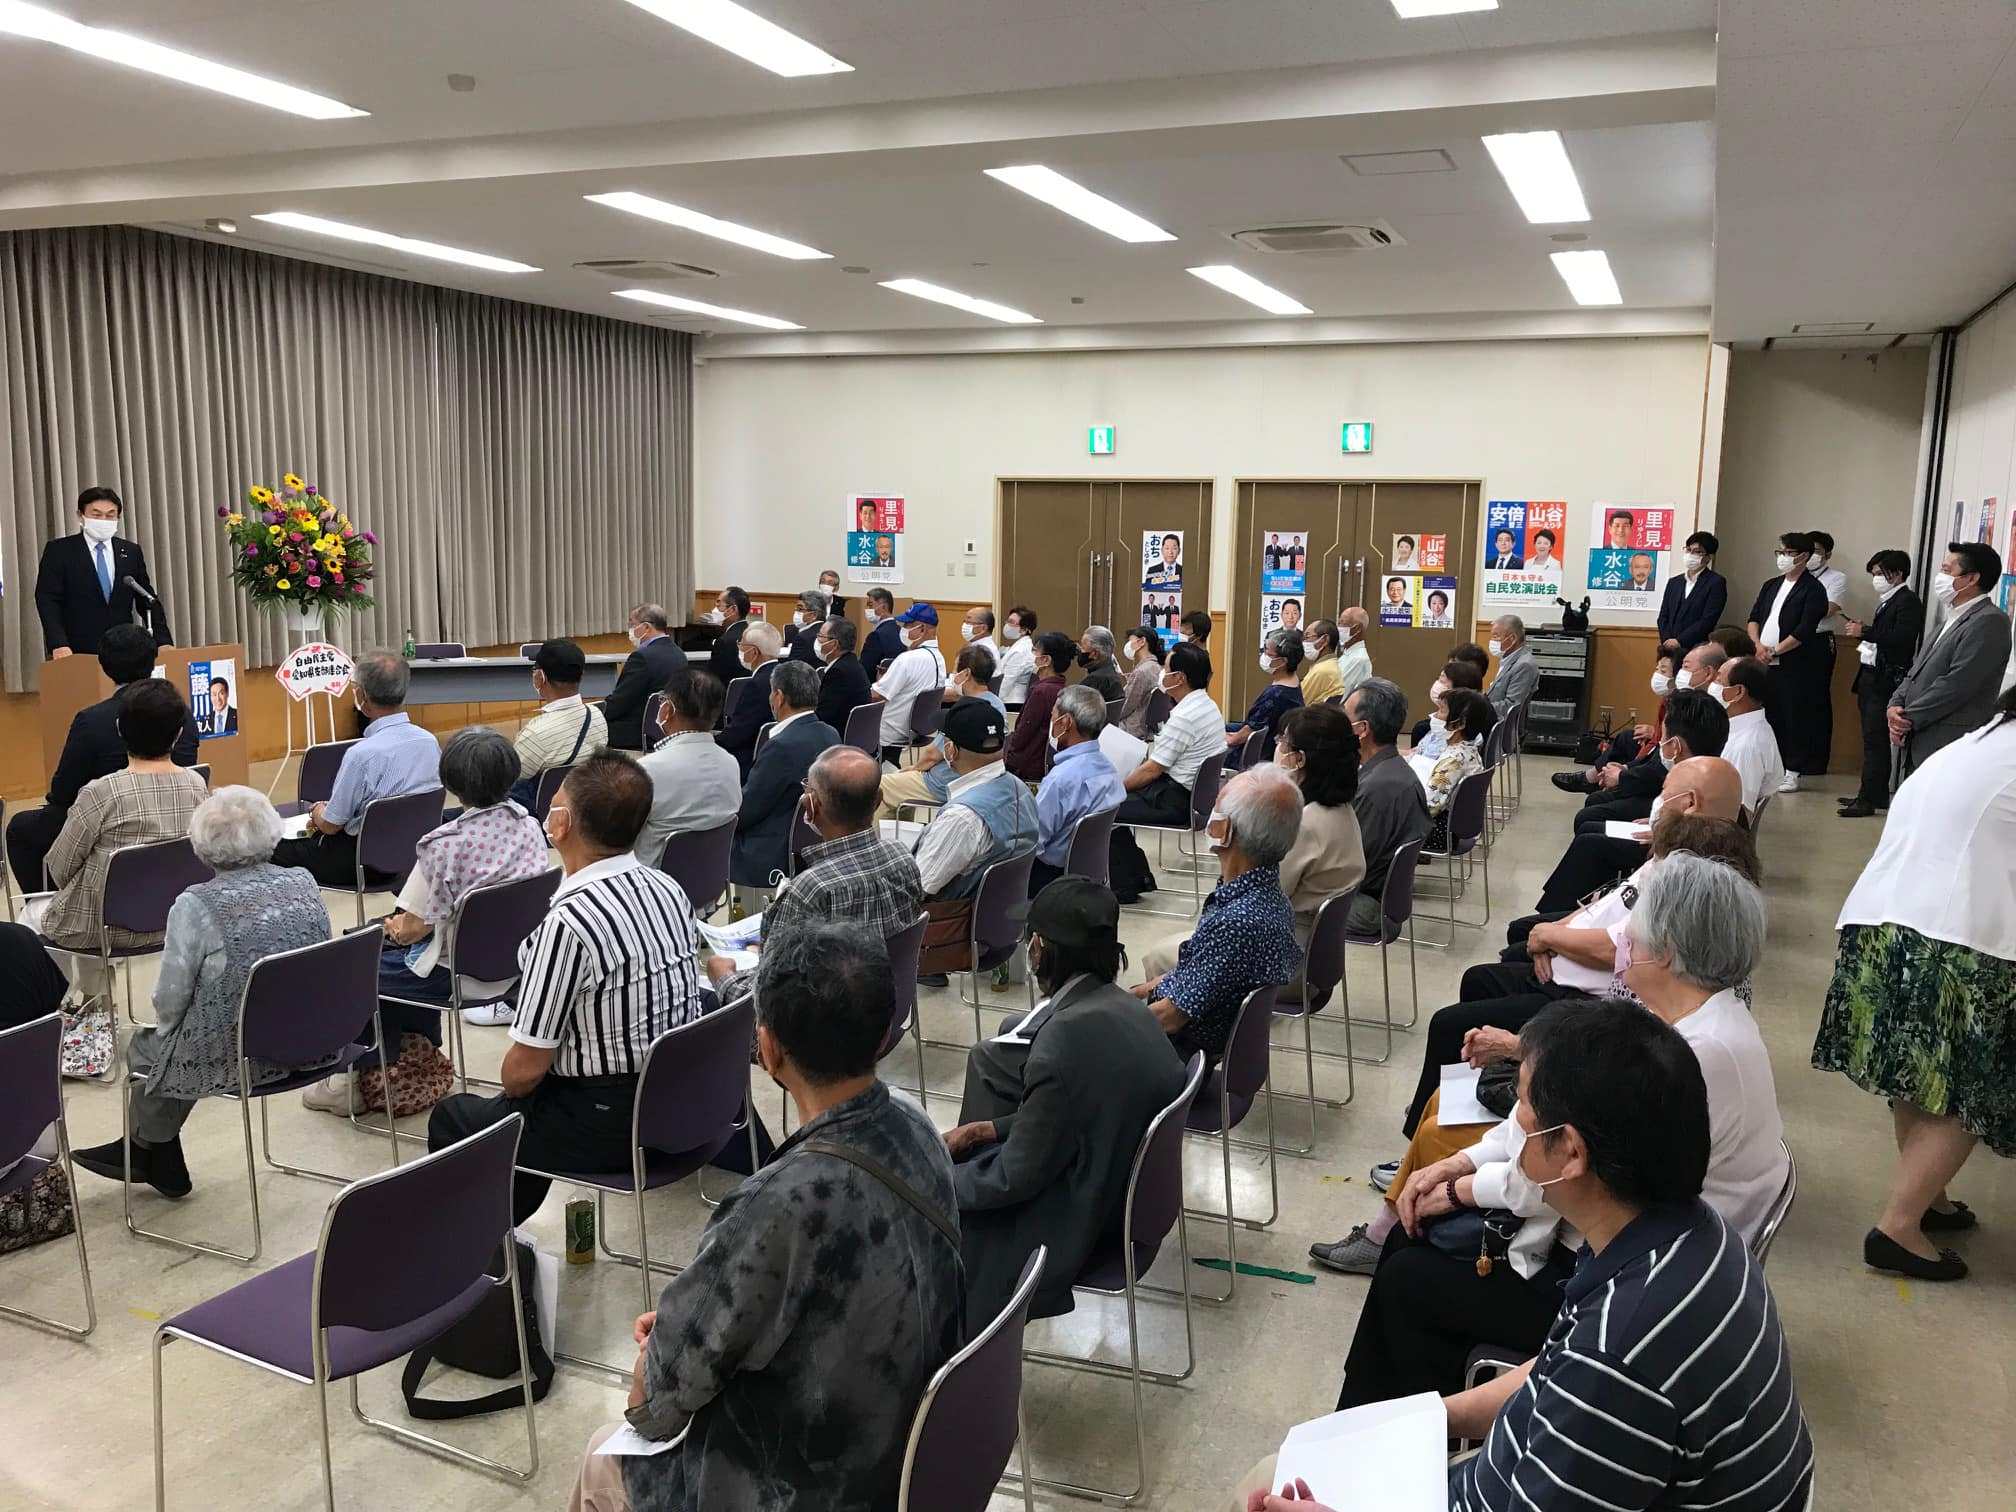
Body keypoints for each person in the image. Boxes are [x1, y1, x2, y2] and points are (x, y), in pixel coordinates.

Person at [1325, 1001, 1816, 1512]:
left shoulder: (1615, 1362)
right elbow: (1549, 1372)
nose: (1514, 1122)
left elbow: (1584, 1384)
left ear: (1573, 1154)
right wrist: (1424, 1420)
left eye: (1523, 1106)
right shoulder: (1685, 1234)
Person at [569, 925, 962, 1512]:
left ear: (768, 1050)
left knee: (602, 1458)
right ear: (883, 1035)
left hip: (811, 1486)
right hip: (907, 1451)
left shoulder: (775, 1203)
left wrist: (663, 1352)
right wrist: (698, 1323)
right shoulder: (919, 1129)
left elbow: (657, 1407)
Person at [1317, 837, 1782, 1275]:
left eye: (1631, 934)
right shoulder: (1690, 1018)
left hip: (1638, 1262)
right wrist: (1462, 1165)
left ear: (1666, 951)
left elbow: (1566, 1173)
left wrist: (1459, 1190)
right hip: (1638, 1236)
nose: (1621, 944)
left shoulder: (1696, 1054)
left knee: (1409, 1267)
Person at [427, 751, 704, 1224]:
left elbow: (522, 1072)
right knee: (521, 1109)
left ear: (561, 824)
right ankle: (505, 1238)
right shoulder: (668, 887)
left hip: (612, 1122)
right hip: (681, 1100)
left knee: (457, 1118)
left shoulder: (570, 922)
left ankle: (486, 1253)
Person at [1813, 685, 2016, 1281]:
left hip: (1882, 922)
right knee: (1971, 1084)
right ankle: (1899, 1226)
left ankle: (1929, 1197)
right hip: (1960, 937)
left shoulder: (1977, 743)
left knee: (1920, 1077)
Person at [948, 877, 1185, 1332]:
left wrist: (934, 1180)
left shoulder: (1062, 1039)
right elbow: (1069, 1115)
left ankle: (955, 1355)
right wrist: (986, 1130)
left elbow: (1012, 1179)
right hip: (1119, 1190)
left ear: (1038, 948)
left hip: (1078, 1222)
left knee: (929, 1214)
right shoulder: (1127, 1009)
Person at [70, 787, 331, 1198]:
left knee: (148, 1050)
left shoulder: (196, 905)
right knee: (180, 1042)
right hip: (316, 1033)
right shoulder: (303, 880)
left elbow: (170, 999)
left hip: (250, 1051)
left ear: (202, 845)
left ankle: (151, 1152)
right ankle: (152, 1156)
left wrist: (171, 1035)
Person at [313, 729, 551, 1097]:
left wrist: (393, 927)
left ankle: (353, 1082)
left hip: (454, 974)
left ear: (450, 781)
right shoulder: (530, 827)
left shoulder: (444, 845)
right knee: (396, 954)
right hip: (519, 965)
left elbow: (412, 930)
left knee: (356, 962)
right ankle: (418, 1053)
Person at [23, 679, 210, 999]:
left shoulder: (101, 792)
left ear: (120, 729)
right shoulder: (197, 785)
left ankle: (56, 1007)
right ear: (179, 733)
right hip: (172, 918)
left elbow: (59, 868)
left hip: (101, 928)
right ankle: (92, 999)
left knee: (32, 918)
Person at [706, 747, 923, 1002]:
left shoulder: (811, 889)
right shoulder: (902, 857)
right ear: (878, 800)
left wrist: (724, 978)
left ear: (811, 805)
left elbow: (766, 998)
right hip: (887, 1004)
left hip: (825, 1019)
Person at [5, 623, 199, 893]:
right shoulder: (184, 713)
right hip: (178, 815)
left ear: (104, 666)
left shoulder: (93, 720)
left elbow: (64, 792)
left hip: (110, 819)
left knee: (21, 828)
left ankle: (44, 905)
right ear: (153, 660)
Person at [1132, 765, 1302, 1066]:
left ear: (1226, 831)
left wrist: (1105, 1023)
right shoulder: (1263, 892)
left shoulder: (1238, 923)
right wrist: (1138, 993)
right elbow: (1196, 972)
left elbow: (1170, 1018)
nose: (1210, 815)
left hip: (1179, 1055)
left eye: (1216, 809)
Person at [271, 651, 441, 887]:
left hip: (364, 863)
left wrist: (317, 811)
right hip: (418, 851)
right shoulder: (429, 742)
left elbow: (331, 825)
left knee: (267, 848)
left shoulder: (361, 755)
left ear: (362, 695)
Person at [1537, 750, 1743, 913]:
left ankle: (1557, 911)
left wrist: (1668, 830)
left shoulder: (1683, 871)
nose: (1661, 798)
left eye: (1665, 791)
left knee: (1590, 841)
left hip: (1668, 846)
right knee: (1588, 828)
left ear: (1690, 803)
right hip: (1672, 836)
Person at [1106, 641, 1227, 904]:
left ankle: (1125, 886)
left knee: (1105, 807)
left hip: (1175, 800)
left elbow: (1152, 769)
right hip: (1192, 796)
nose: (1162, 673)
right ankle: (1136, 878)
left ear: (1179, 678)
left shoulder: (1184, 717)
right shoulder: (1207, 705)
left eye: (1167, 668)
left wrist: (1113, 789)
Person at [1887, 540, 2011, 779]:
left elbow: (1957, 684)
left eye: (1947, 570)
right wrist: (1895, 704)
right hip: (1921, 735)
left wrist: (1908, 718)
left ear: (1971, 579)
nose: (1940, 577)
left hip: (1947, 738)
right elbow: (1916, 671)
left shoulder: (1990, 621)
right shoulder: (1952, 618)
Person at [1273, 704, 1365, 990]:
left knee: (1163, 957)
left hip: (1286, 961)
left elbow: (1266, 897)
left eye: (1283, 742)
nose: (1278, 748)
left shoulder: (1305, 824)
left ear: (1299, 759)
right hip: (1318, 958)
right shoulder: (1341, 810)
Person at [910, 698, 1039, 902]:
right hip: (1002, 909)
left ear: (950, 749)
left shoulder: (962, 818)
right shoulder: (1021, 790)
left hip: (948, 916)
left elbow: (916, 888)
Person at [730, 662, 838, 892]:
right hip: (813, 840)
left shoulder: (780, 746)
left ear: (778, 697)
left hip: (771, 851)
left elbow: (747, 810)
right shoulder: (831, 734)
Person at [34, 484, 171, 657]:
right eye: (96, 515)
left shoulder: (130, 552)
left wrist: (163, 640)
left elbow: (146, 597)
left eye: (110, 515)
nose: (103, 520)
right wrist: (58, 643)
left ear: (118, 517)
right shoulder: (60, 550)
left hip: (124, 647)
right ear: (81, 516)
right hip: (75, 649)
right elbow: (47, 600)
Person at [1568, 685, 1727, 833]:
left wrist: (1662, 827)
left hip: (1674, 832)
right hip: (1666, 818)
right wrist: (1626, 769)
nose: (1660, 741)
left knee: (1587, 825)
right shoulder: (1710, 720)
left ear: (1675, 746)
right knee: (1594, 806)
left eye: (1662, 736)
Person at [1840, 549, 1924, 817]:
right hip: (1871, 675)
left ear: (1897, 573)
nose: (1875, 579)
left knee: (1875, 740)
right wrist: (1865, 633)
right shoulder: (1888, 601)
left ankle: (1868, 798)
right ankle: (1874, 794)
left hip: (1886, 679)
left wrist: (1866, 631)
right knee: (1871, 738)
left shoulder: (1907, 601)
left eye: (1879, 574)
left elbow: (1901, 638)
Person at [1745, 530, 1830, 792]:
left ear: (1804, 556)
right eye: (1780, 552)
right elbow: (1754, 618)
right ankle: (1772, 767)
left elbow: (1804, 629)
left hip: (1794, 663)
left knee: (1794, 715)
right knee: (1769, 715)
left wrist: (1776, 650)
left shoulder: (1813, 589)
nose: (1782, 557)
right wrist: (1758, 646)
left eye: (1788, 553)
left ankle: (1792, 770)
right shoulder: (1771, 584)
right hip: (1763, 661)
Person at [876, 643, 1002, 819]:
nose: (953, 675)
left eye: (955, 670)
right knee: (901, 785)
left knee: (879, 785)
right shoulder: (997, 705)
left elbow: (932, 755)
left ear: (966, 674)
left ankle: (873, 836)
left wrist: (915, 768)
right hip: (977, 782)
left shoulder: (965, 710)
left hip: (943, 783)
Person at [1344, 678, 1430, 934]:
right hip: (1381, 895)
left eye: (1344, 718)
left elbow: (1348, 866)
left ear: (1362, 729)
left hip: (1365, 904)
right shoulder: (1392, 770)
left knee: (1277, 906)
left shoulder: (1376, 788)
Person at [634, 669, 741, 867]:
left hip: (652, 880)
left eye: (662, 700)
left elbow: (619, 838)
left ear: (668, 709)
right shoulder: (730, 763)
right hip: (710, 878)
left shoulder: (647, 771)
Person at [1031, 685, 1125, 893]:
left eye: (1053, 716)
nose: (1051, 722)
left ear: (1065, 722)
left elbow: (1033, 842)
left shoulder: (1060, 780)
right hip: (1088, 872)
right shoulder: (1109, 769)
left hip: (1049, 878)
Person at [512, 639, 609, 803]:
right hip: (584, 804)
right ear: (581, 675)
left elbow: (508, 779)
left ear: (540, 677)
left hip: (541, 811)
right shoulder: (598, 716)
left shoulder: (535, 733)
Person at [602, 604, 688, 750]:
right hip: (668, 729)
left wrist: (595, 716)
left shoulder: (641, 657)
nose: (630, 630)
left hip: (638, 731)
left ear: (646, 627)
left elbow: (621, 702)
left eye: (632, 624)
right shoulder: (679, 654)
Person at [868, 604, 946, 762]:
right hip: (917, 728)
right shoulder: (939, 658)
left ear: (922, 628)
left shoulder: (908, 659)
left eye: (908, 625)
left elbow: (876, 695)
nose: (903, 630)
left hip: (889, 731)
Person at [1421, 688, 1494, 852]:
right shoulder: (1469, 751)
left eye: (1442, 710)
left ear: (1460, 724)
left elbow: (1429, 807)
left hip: (1436, 833)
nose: (1435, 715)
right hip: (1451, 830)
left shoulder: (1453, 761)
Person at [1713, 656, 1786, 816]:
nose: (1712, 684)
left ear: (1739, 692)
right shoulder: (1739, 729)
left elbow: (1740, 813)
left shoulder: (1746, 747)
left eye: (1719, 680)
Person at [1003, 631, 1074, 781]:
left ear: (1046, 660)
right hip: (1043, 763)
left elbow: (1023, 734)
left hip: (1027, 767)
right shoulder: (1062, 687)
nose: (1030, 655)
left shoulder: (1041, 692)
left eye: (1034, 651)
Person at [1228, 628, 1304, 764]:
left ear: (1283, 661)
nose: (1264, 656)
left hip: (1258, 757)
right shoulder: (1294, 683)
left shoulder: (1275, 695)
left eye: (1268, 654)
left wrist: (1226, 738)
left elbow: (1245, 735)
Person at [1411, 656, 1484, 762]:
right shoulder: (1444, 734)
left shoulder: (1454, 756)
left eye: (1442, 710)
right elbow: (1416, 752)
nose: (1434, 715)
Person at [811, 614, 873, 735]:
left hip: (837, 736)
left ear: (834, 644)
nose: (816, 640)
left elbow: (822, 716)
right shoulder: (852, 663)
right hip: (858, 734)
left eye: (820, 636)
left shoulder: (838, 673)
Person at [1116, 624, 1166, 737]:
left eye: (1130, 640)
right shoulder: (1157, 667)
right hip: (1147, 728)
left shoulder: (1142, 672)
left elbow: (1126, 707)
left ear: (1142, 641)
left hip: (1132, 728)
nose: (1128, 645)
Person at [1484, 615, 1536, 715]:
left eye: (1495, 636)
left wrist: (1479, 708)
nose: (1492, 641)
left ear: (1512, 639)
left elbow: (1512, 706)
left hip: (1499, 721)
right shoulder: (1509, 659)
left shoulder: (1524, 665)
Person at [704, 586, 751, 687]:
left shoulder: (724, 642)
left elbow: (714, 680)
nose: (714, 610)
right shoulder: (753, 633)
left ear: (733, 609)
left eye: (719, 605)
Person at [859, 586, 905, 681]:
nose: (867, 609)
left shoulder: (876, 636)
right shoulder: (902, 632)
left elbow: (865, 669)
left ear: (883, 607)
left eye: (870, 605)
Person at [996, 605, 1039, 707]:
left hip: (1011, 703)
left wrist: (992, 700)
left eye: (1011, 622)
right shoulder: (1020, 646)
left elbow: (1007, 682)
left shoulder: (1020, 651)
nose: (1007, 625)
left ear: (1023, 630)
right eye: (1007, 621)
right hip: (1008, 699)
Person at [1296, 619, 1343, 706]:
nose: (1304, 642)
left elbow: (1296, 702)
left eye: (1307, 637)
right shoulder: (1330, 664)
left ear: (1324, 640)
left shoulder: (1322, 670)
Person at [1333, 607, 1373, 701]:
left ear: (1357, 628)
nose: (1338, 627)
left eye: (1341, 623)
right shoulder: (1349, 653)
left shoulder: (1358, 659)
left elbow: (1337, 694)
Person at [1077, 625, 1125, 701]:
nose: (1080, 651)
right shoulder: (1113, 673)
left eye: (1083, 647)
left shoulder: (1094, 680)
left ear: (1095, 654)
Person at [784, 588, 830, 664]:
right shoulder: (831, 633)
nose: (796, 612)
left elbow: (791, 667)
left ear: (814, 615)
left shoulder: (802, 638)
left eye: (800, 609)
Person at [954, 605, 998, 676]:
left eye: (969, 622)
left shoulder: (983, 653)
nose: (964, 625)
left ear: (983, 628)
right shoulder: (978, 646)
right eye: (964, 621)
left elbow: (964, 679)